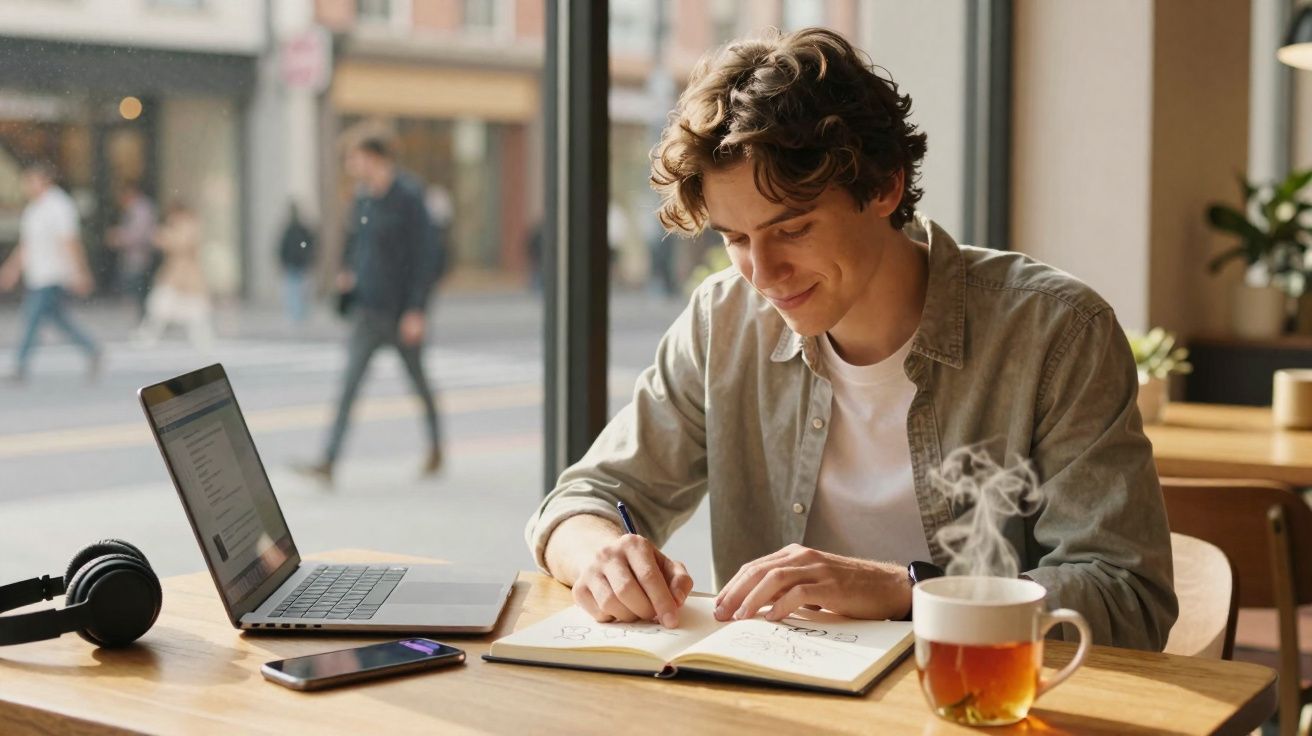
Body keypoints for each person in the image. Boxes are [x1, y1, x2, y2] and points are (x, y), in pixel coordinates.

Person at [524, 28, 1177, 651]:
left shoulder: (1055, 332)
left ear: (885, 186)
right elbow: (578, 503)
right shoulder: (721, 323)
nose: (763, 274)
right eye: (734, 239)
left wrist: (909, 590)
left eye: (793, 228)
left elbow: (1127, 595)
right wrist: (602, 555)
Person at [298, 134, 444, 483]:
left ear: (374, 158)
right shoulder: (362, 199)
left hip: (400, 313)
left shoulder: (409, 196)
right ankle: (329, 461)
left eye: (355, 158)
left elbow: (427, 256)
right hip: (367, 311)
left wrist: (416, 309)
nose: (350, 165)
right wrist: (349, 273)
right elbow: (357, 245)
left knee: (419, 383)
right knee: (348, 386)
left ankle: (436, 448)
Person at [0, 162, 100, 382]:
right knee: (58, 319)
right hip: (37, 274)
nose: (27, 186)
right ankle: (91, 349)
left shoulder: (60, 206)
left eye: (30, 181)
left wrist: (80, 272)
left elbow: (70, 242)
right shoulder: (34, 208)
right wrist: (11, 269)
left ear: (44, 180)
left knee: (32, 318)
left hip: (53, 274)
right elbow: (26, 244)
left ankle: (20, 365)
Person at [134, 201, 213, 351]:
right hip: (176, 274)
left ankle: (203, 339)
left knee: (195, 310)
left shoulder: (189, 225)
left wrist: (164, 237)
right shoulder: (181, 226)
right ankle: (147, 336)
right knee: (160, 305)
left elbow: (181, 244)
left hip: (187, 275)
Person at [105, 182, 158, 322]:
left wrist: (119, 237)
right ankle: (146, 318)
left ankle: (148, 318)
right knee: (139, 290)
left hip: (140, 257)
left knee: (141, 290)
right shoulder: (137, 209)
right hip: (136, 257)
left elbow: (139, 234)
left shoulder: (141, 209)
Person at [277, 202, 317, 325]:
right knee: (296, 290)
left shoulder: (297, 230)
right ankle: (297, 315)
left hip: (298, 264)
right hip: (296, 263)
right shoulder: (294, 230)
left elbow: (308, 245)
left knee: (297, 290)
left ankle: (298, 314)